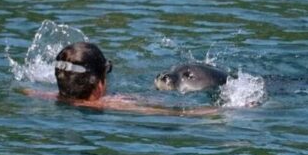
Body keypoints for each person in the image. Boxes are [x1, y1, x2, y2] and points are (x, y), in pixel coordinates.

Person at [26, 42, 219, 116]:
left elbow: (26, 90)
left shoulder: (45, 96)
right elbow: (179, 112)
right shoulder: (118, 104)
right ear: (100, 85)